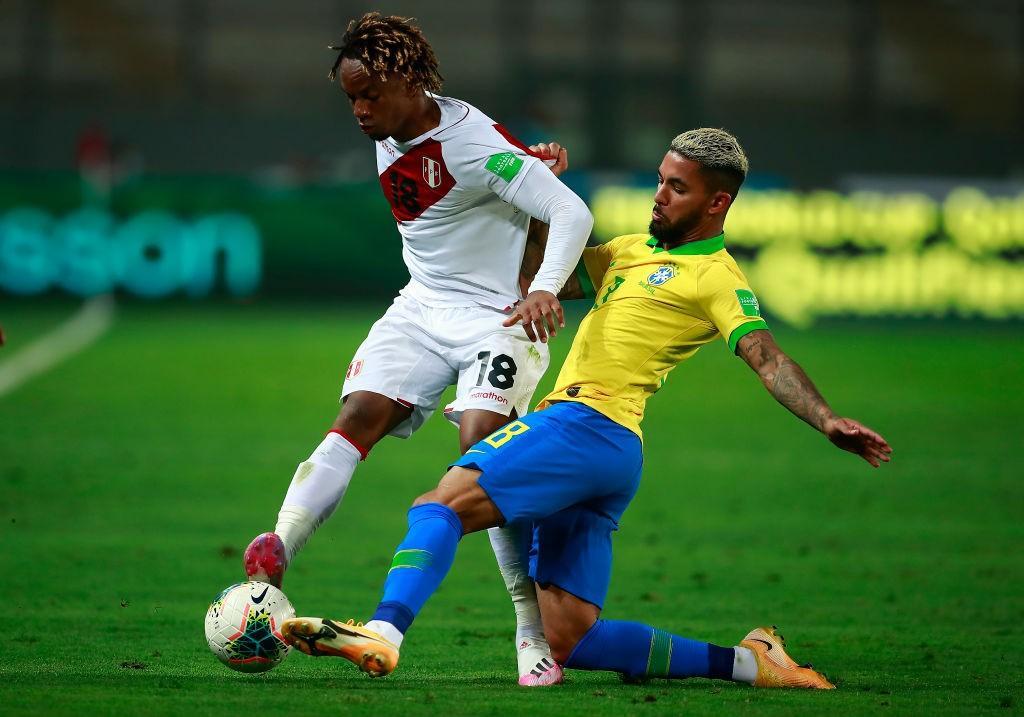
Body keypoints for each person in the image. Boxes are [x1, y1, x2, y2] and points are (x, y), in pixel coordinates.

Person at [278, 128, 893, 689]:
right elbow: (534, 277)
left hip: (586, 425)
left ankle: (384, 631)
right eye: (659, 180)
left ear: (717, 204)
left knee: (439, 505)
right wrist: (540, 191)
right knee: (571, 637)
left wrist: (825, 418)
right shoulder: (628, 253)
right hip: (610, 451)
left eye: (677, 188)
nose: (659, 196)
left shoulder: (715, 277)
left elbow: (764, 355)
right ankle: (751, 663)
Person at [241, 13, 593, 687]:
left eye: (370, 93)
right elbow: (516, 169)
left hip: (497, 318)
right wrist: (531, 161)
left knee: (482, 455)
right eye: (350, 97)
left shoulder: (471, 141)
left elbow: (571, 211)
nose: (360, 110)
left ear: (408, 79)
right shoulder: (398, 124)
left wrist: (545, 288)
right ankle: (277, 548)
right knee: (354, 417)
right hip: (421, 307)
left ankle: (529, 630)